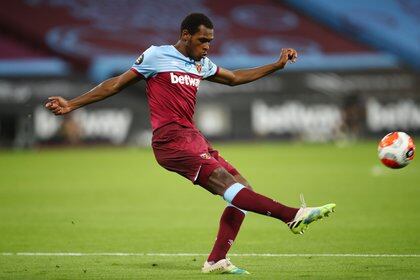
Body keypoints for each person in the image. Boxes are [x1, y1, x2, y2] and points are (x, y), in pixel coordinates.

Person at [45, 13, 335, 275]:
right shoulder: (157, 55)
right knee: (227, 184)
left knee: (242, 186)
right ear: (185, 35)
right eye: (202, 40)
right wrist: (72, 104)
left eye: (210, 41)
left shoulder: (200, 64)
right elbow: (116, 84)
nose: (207, 46)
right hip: (171, 140)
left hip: (192, 137)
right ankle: (292, 215)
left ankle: (216, 260)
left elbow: (234, 78)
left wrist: (276, 65)